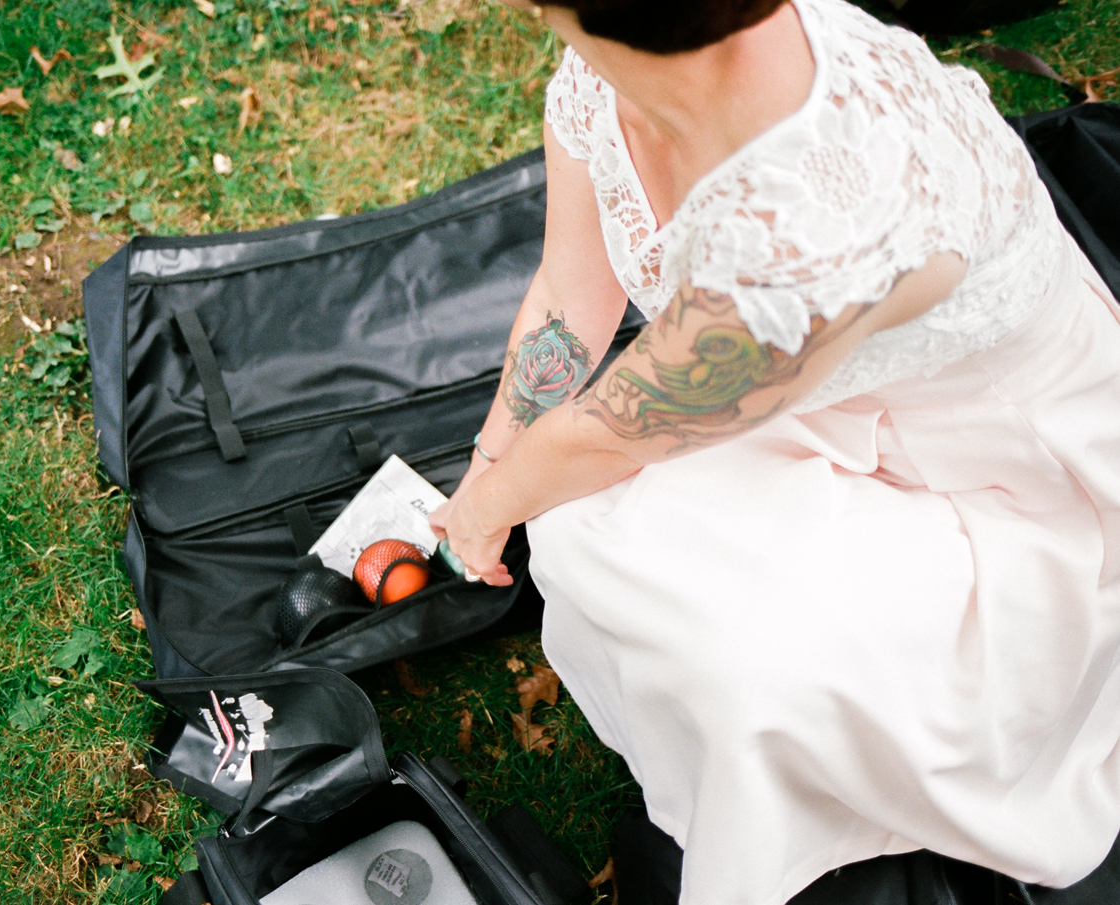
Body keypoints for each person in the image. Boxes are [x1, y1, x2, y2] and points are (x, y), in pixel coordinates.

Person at [426, 0, 1120, 902]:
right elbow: (569, 291)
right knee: (583, 528)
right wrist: (491, 466)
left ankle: (806, 799)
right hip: (824, 401)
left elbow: (608, 430)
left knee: (738, 659)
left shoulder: (808, 224)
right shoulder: (610, 69)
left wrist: (482, 514)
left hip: (1008, 479)